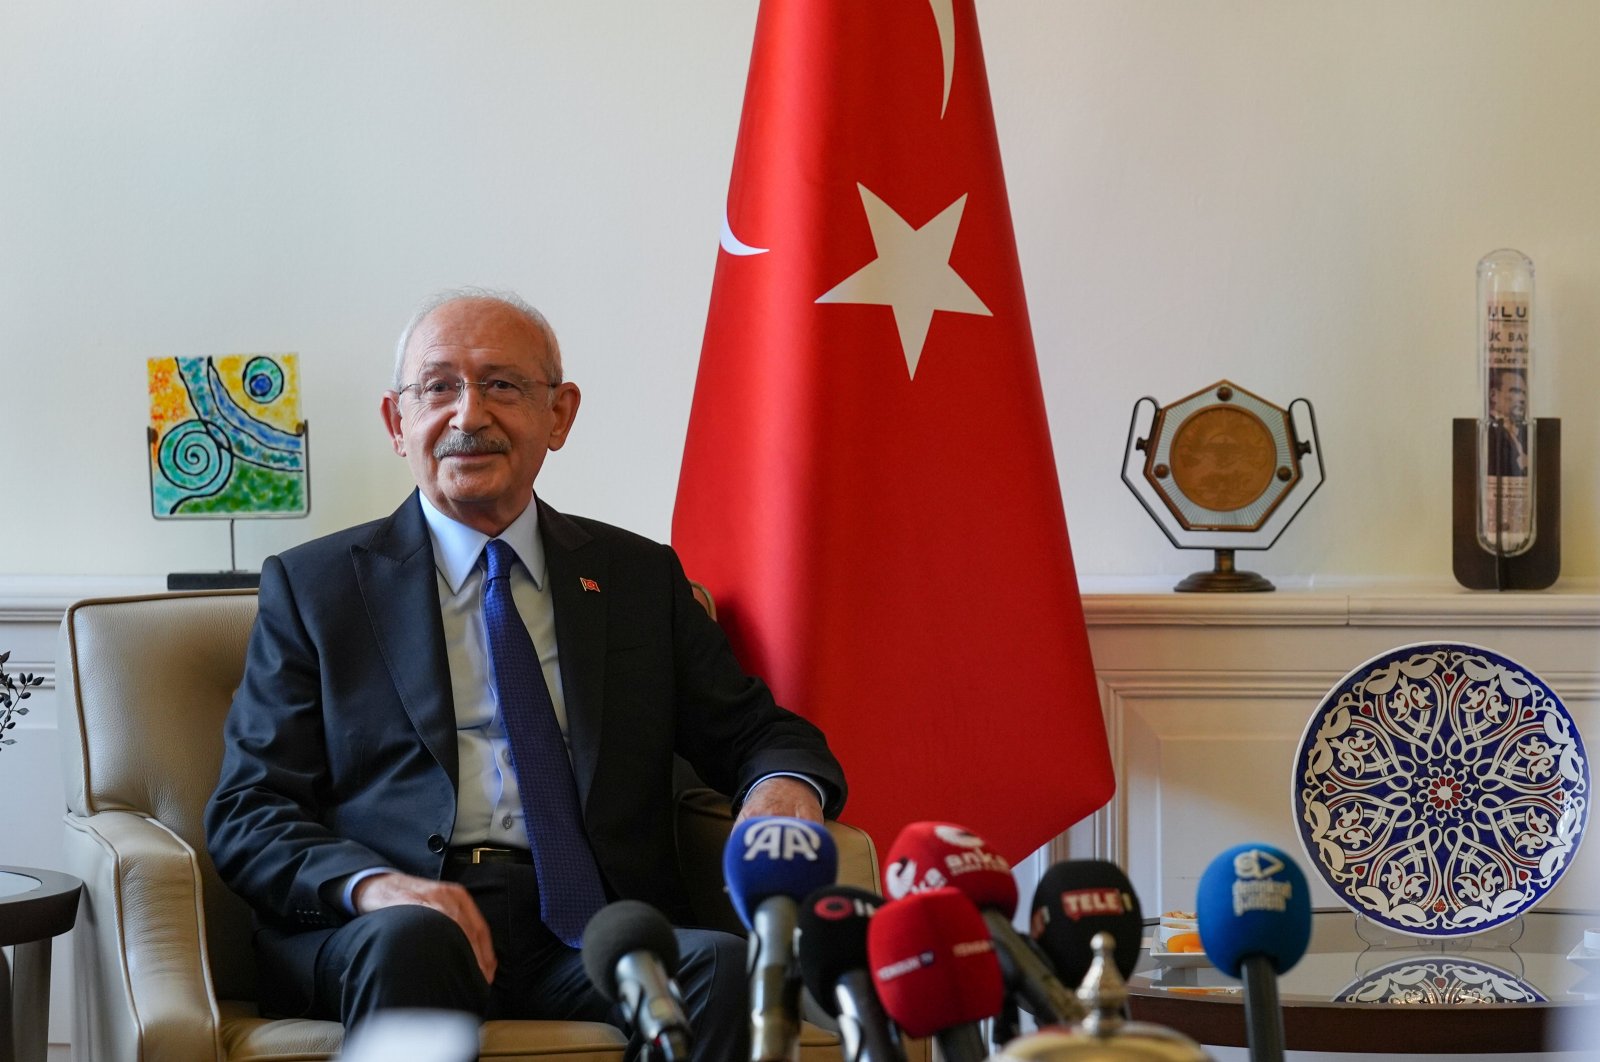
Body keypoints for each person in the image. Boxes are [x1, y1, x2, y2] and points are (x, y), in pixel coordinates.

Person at [204, 290, 846, 1058]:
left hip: (590, 927)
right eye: (437, 387)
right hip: (398, 923)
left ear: (560, 415)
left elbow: (756, 731)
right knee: (411, 942)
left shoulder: (638, 579)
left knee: (718, 967)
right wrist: (374, 889)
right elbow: (249, 810)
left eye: (502, 385)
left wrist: (781, 786)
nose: (468, 414)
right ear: (395, 422)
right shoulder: (318, 590)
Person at [1485, 368, 1529, 477]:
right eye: (1515, 391)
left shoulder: (1519, 432)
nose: (1523, 399)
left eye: (1524, 393)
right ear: (1493, 395)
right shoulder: (1488, 432)